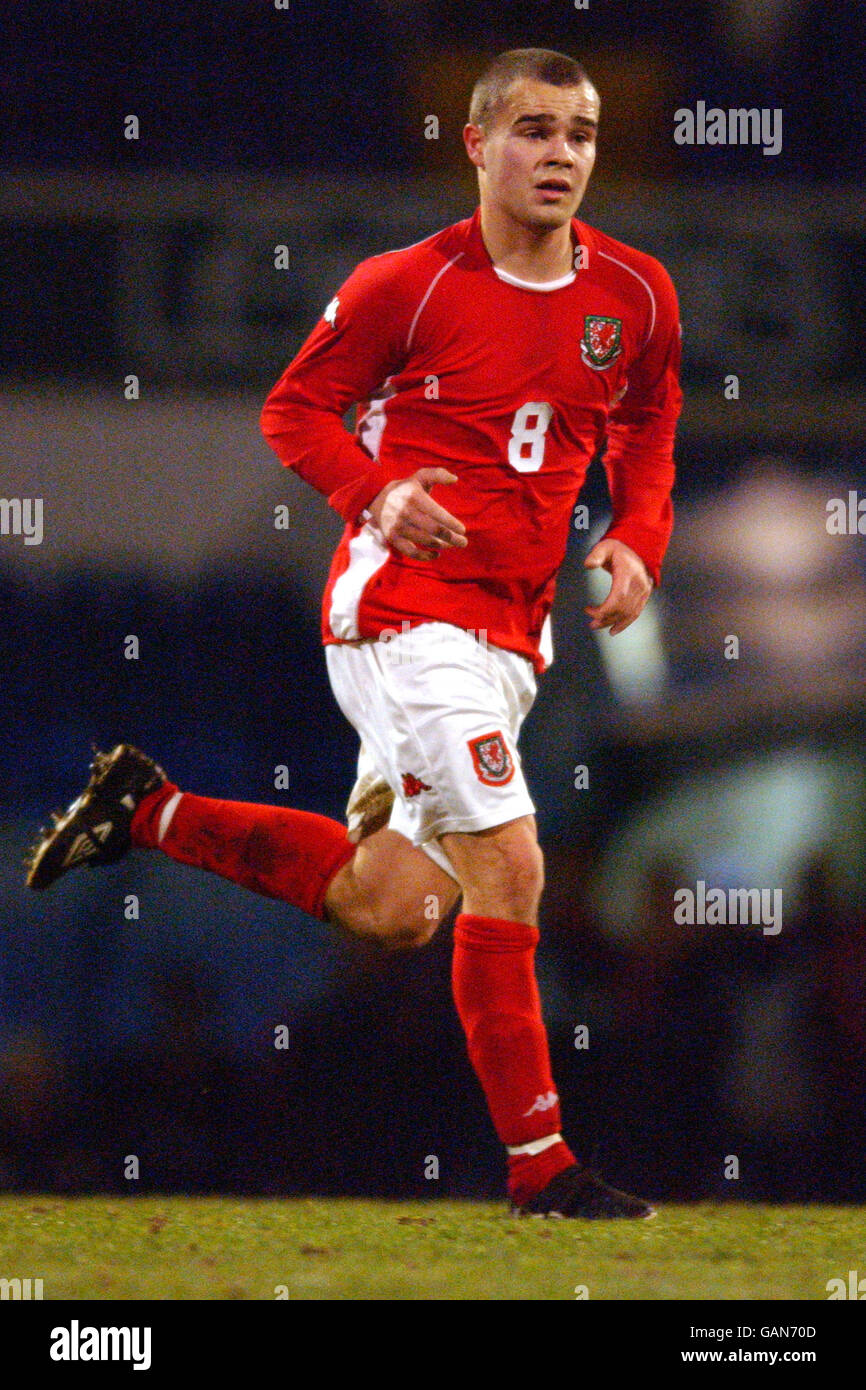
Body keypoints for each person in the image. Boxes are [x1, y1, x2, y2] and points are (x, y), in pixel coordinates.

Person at [27, 48, 681, 1218]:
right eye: (533, 130)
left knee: (398, 908)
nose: (560, 154)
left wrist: (636, 533)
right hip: (399, 611)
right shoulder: (407, 285)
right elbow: (292, 408)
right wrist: (376, 493)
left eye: (578, 134)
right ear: (477, 145)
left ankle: (147, 809)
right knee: (512, 866)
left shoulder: (634, 295)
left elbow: (648, 421)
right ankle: (541, 1171)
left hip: (508, 640)